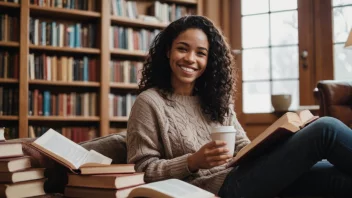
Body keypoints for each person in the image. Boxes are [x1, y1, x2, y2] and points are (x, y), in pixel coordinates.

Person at [126, 15, 352, 198]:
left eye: (201, 53)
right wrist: (193, 161)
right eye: (183, 49)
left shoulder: (215, 100)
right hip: (218, 188)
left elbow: (243, 147)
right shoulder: (149, 102)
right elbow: (141, 170)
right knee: (326, 130)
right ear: (168, 51)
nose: (191, 59)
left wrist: (281, 140)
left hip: (245, 174)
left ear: (209, 60)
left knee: (339, 178)